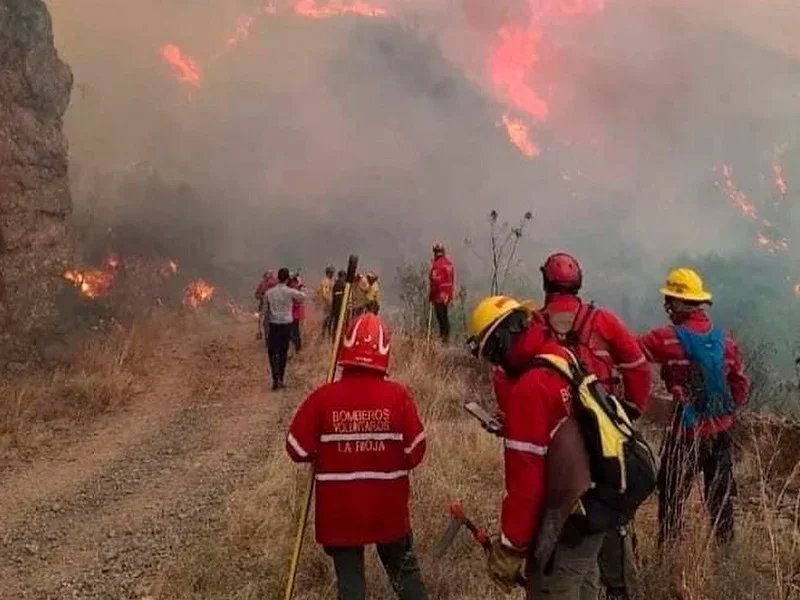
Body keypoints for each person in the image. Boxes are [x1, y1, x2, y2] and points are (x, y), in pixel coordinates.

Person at [466, 295, 603, 600]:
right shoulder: (560, 356)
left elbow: (525, 485)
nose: (495, 365)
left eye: (492, 354)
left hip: (565, 522)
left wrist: (511, 547)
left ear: (500, 342)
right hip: (593, 507)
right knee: (585, 586)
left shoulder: (530, 389)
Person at [286, 313, 428, 600]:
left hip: (340, 513)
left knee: (350, 586)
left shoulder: (323, 397)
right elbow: (415, 452)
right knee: (405, 574)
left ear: (345, 351)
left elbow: (296, 449)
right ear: (385, 351)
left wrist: (326, 447)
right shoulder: (399, 396)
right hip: (388, 510)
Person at [538, 252, 651, 600]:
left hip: (556, 441)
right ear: (579, 283)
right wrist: (627, 412)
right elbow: (638, 367)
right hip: (604, 439)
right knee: (610, 518)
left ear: (545, 283)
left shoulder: (534, 324)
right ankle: (616, 588)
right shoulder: (602, 321)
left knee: (563, 517)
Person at [639, 268, 748, 549]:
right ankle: (727, 562)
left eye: (669, 301)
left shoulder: (666, 338)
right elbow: (739, 384)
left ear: (678, 302)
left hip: (684, 434)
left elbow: (630, 352)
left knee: (672, 497)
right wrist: (722, 414)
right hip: (721, 432)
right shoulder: (726, 341)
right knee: (721, 502)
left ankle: (669, 557)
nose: (666, 308)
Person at [263, 268, 306, 390]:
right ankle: (281, 378)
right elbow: (303, 296)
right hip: (286, 326)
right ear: (287, 278)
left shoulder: (269, 293)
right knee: (283, 353)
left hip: (274, 325)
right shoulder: (290, 292)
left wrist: (261, 329)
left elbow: (264, 312)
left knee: (272, 353)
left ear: (278, 277)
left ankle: (275, 378)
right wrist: (298, 281)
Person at [429, 243, 455, 343]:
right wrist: (450, 294)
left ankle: (443, 338)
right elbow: (452, 280)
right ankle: (446, 338)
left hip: (439, 296)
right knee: (445, 317)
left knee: (441, 317)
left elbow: (435, 282)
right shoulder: (449, 263)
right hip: (447, 296)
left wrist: (431, 295)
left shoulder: (436, 265)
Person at [254, 270, 277, 341]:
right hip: (265, 308)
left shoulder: (276, 284)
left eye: (270, 276)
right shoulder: (262, 284)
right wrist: (263, 297)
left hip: (275, 307)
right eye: (267, 276)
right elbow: (256, 294)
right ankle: (267, 338)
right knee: (265, 323)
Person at [289, 272, 305, 354]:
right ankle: (297, 348)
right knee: (295, 331)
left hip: (293, 314)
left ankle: (297, 349)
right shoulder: (296, 287)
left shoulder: (294, 288)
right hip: (294, 314)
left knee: (293, 332)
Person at [330, 270, 347, 338]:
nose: (345, 278)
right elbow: (337, 296)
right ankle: (335, 337)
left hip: (340, 307)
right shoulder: (338, 284)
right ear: (341, 276)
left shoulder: (342, 284)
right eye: (344, 277)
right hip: (337, 308)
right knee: (337, 324)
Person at [319, 266, 336, 338]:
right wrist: (329, 303)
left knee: (329, 320)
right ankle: (324, 335)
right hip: (327, 304)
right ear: (329, 273)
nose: (333, 274)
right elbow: (324, 294)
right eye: (332, 273)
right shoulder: (326, 281)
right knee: (327, 320)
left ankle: (326, 334)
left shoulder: (330, 281)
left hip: (328, 303)